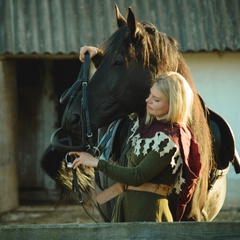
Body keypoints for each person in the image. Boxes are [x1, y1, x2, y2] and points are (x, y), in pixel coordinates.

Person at [69, 47, 202, 222]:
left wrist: (96, 163)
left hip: (148, 212)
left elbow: (137, 176)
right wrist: (99, 59)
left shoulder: (171, 139)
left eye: (156, 100)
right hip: (126, 207)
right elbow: (123, 84)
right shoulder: (145, 124)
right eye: (150, 95)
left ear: (173, 104)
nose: (147, 101)